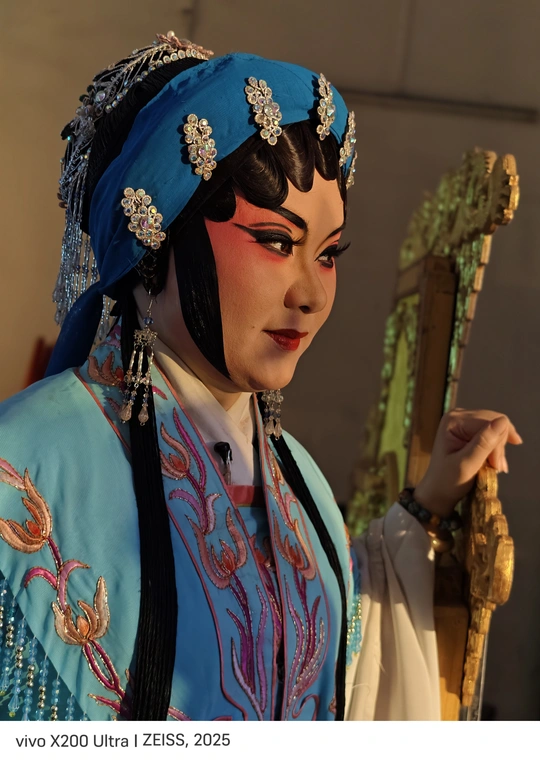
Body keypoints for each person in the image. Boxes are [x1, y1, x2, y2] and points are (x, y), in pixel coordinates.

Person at [0, 32, 521, 722]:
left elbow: (335, 661)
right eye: (277, 242)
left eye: (328, 254)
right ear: (157, 245)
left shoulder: (299, 485)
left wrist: (427, 507)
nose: (311, 295)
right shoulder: (26, 465)